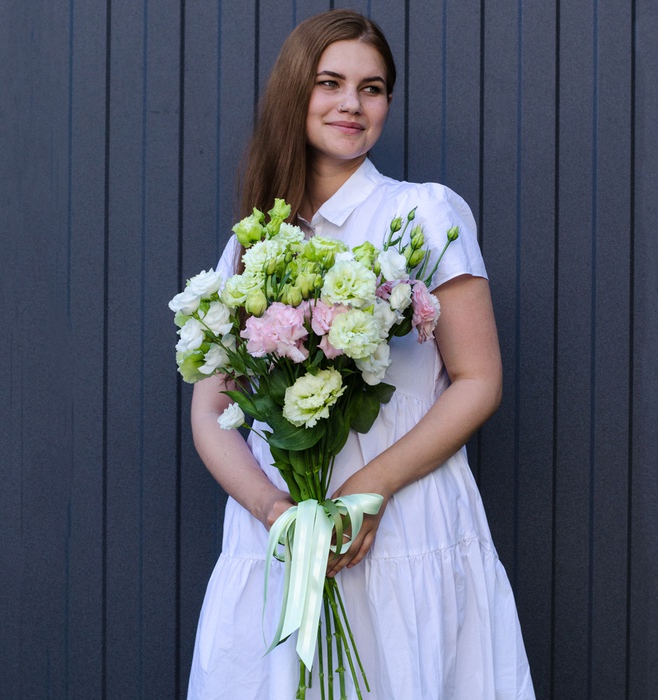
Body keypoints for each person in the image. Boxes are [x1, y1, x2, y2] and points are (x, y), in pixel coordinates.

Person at [187, 9, 534, 699]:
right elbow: (210, 410)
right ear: (295, 93)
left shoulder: (425, 215)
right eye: (331, 83)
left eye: (371, 89)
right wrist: (275, 512)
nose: (352, 103)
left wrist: (365, 492)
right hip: (281, 540)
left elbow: (478, 380)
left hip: (404, 522)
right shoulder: (253, 242)